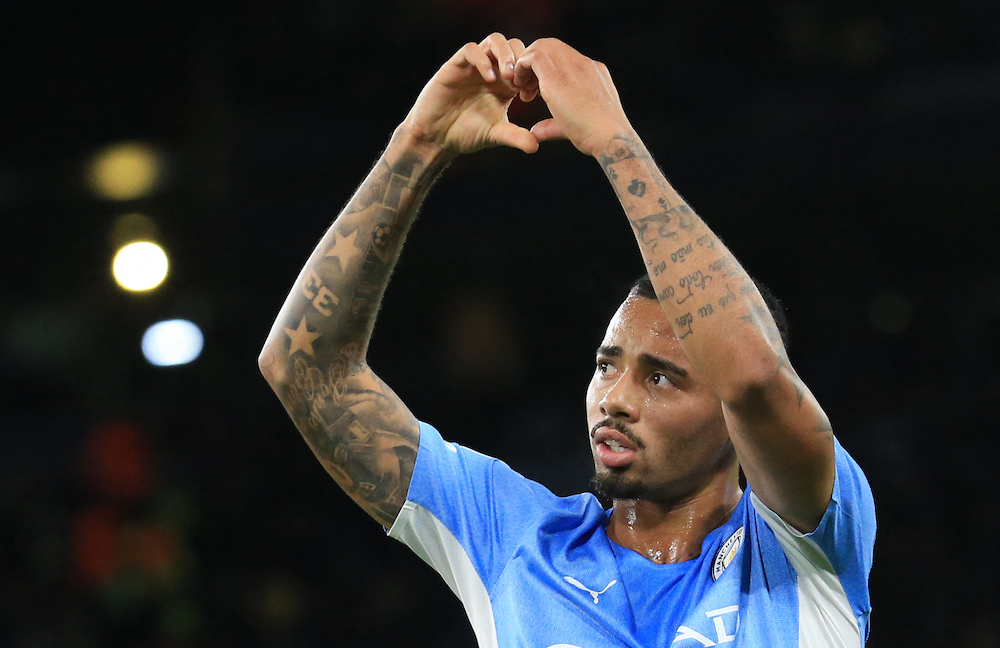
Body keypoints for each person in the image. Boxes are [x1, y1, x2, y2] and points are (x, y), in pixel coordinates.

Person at [258, 33, 875, 647]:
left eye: (661, 377)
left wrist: (615, 142)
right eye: (607, 366)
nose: (616, 399)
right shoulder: (513, 538)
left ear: (735, 422)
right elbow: (306, 370)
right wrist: (417, 143)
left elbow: (752, 375)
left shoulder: (806, 544)